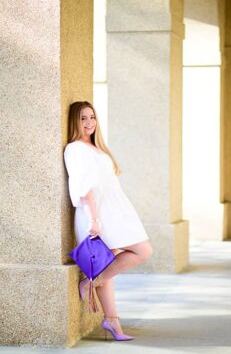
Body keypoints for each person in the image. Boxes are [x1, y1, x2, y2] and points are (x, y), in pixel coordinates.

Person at [63, 101, 153, 342]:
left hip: (116, 209)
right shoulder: (75, 149)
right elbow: (83, 187)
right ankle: (93, 285)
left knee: (111, 265)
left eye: (92, 117)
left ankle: (111, 320)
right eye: (83, 118)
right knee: (142, 251)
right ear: (75, 121)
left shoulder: (97, 148)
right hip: (98, 213)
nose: (89, 122)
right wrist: (94, 219)